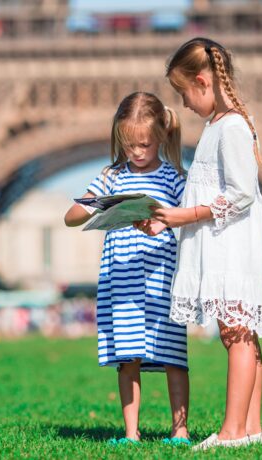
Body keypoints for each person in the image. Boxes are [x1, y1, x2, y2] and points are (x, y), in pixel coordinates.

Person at [139, 37, 262, 450]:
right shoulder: (219, 125)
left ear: (201, 81)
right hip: (223, 242)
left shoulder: (231, 126)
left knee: (236, 334)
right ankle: (250, 429)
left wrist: (185, 216)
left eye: (183, 94)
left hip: (230, 247)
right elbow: (204, 192)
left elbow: (241, 193)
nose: (183, 104)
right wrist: (167, 223)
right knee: (240, 333)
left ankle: (232, 432)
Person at [64, 92, 189, 446]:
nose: (136, 152)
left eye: (144, 144)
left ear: (162, 137)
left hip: (161, 277)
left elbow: (192, 217)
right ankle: (130, 434)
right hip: (123, 279)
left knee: (173, 355)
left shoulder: (175, 178)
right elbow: (71, 217)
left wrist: (165, 220)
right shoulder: (111, 176)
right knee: (127, 356)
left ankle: (180, 430)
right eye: (128, 144)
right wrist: (97, 204)